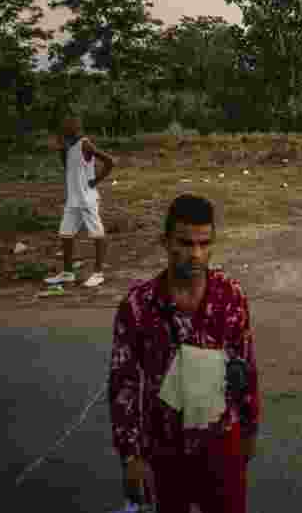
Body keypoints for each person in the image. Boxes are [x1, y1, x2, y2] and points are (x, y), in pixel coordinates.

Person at [108, 194, 262, 513]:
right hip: (163, 450)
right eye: (186, 243)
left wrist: (249, 430)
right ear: (165, 242)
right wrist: (131, 457)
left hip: (222, 446)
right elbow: (124, 384)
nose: (196, 254)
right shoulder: (138, 306)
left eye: (204, 244)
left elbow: (245, 369)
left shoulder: (230, 297)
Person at [44, 115, 115, 288]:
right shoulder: (69, 147)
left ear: (75, 128)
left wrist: (96, 181)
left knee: (97, 234)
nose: (63, 129)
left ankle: (98, 273)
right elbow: (67, 168)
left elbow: (110, 161)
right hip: (73, 199)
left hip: (87, 198)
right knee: (65, 233)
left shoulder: (85, 144)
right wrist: (61, 149)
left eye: (67, 127)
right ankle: (68, 273)